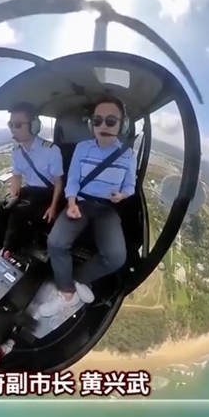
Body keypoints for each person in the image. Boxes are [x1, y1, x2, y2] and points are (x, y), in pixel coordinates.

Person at [39, 95, 136, 316]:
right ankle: (67, 294)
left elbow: (130, 186)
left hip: (107, 208)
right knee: (55, 242)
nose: (103, 126)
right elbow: (72, 179)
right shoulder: (82, 148)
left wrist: (122, 195)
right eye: (97, 120)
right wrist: (71, 202)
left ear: (122, 125)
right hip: (80, 202)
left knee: (116, 257)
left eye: (110, 121)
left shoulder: (128, 155)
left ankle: (78, 279)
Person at [0, 102, 64, 267]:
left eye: (17, 125)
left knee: (18, 211)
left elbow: (58, 181)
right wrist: (12, 197)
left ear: (34, 126)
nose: (13, 129)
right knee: (0, 207)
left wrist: (53, 207)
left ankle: (7, 252)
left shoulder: (51, 150)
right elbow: (16, 176)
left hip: (49, 192)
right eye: (10, 125)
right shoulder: (17, 151)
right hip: (31, 191)